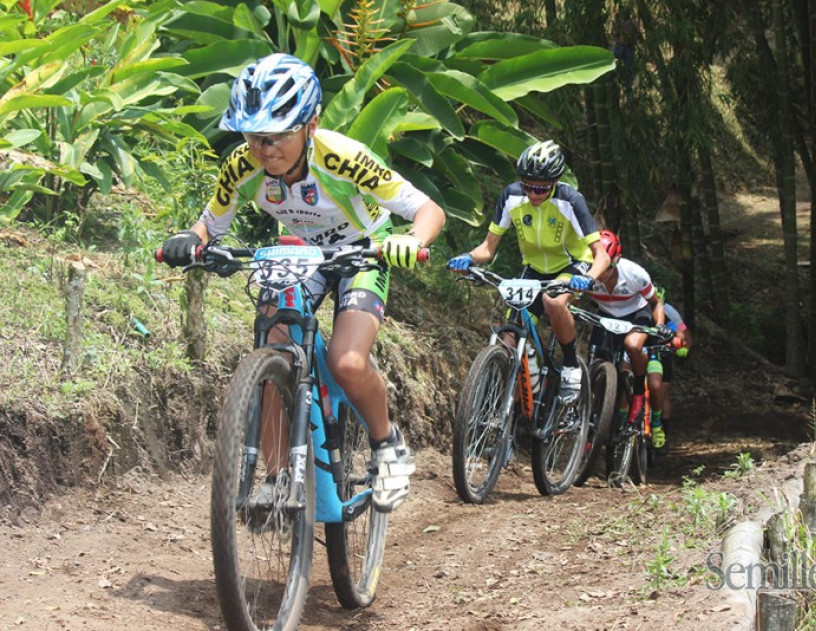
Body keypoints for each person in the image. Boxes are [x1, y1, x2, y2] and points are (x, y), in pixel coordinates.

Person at [160, 53, 446, 512]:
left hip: (362, 252)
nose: (265, 148)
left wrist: (411, 240)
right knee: (271, 351)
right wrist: (187, 242)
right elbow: (209, 225)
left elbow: (429, 211)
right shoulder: (241, 166)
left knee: (348, 361)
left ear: (310, 125)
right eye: (254, 136)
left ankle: (387, 444)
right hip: (300, 255)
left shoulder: (344, 158)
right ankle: (276, 477)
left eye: (278, 135)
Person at [447, 141, 611, 400]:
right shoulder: (511, 196)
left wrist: (587, 278)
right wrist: (468, 258)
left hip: (572, 265)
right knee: (508, 339)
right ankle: (499, 406)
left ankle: (569, 364)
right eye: (528, 185)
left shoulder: (570, 200)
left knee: (553, 302)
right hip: (533, 269)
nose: (533, 194)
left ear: (555, 182)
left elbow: (602, 256)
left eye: (541, 189)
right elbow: (487, 249)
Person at [582, 229, 673, 450]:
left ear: (616, 261)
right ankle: (589, 420)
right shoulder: (586, 270)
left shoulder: (634, 273)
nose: (601, 273)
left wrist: (660, 326)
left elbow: (656, 303)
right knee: (595, 360)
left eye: (607, 267)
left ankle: (639, 393)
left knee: (632, 345)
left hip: (636, 314)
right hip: (605, 315)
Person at [645, 296, 692, 452]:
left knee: (661, 393)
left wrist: (683, 347)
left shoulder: (670, 311)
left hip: (661, 350)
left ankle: (662, 432)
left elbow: (685, 335)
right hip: (640, 347)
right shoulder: (634, 304)